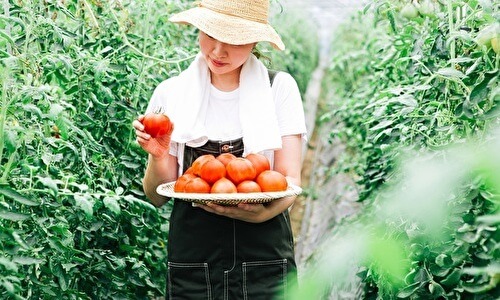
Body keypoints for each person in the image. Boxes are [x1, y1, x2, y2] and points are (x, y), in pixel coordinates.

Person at [132, 0, 307, 298]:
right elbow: (156, 196)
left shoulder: (278, 89)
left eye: (233, 40)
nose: (217, 51)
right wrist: (158, 154)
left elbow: (290, 182)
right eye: (210, 34)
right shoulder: (172, 93)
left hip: (264, 255)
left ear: (254, 40)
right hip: (194, 260)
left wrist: (260, 216)